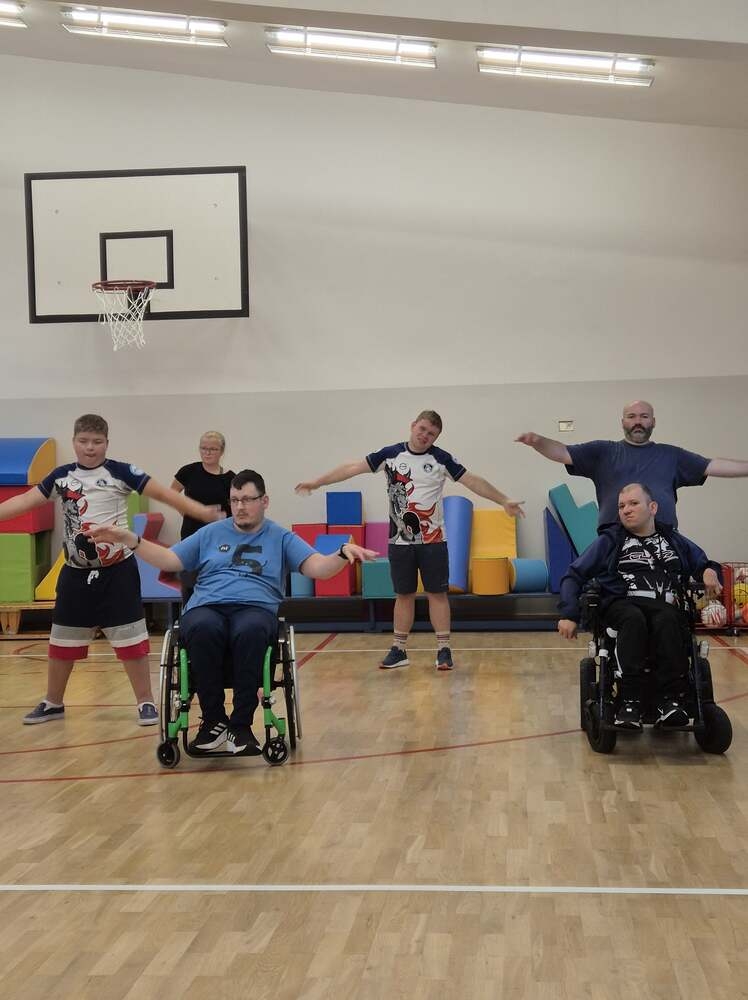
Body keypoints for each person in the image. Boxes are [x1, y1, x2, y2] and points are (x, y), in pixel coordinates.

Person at [89, 469, 377, 755]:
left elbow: (318, 568)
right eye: (235, 500)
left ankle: (240, 726)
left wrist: (341, 553)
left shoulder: (280, 537)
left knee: (250, 630)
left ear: (264, 501)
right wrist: (130, 539)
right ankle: (213, 722)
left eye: (247, 500)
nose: (240, 507)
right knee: (201, 627)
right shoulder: (210, 533)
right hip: (207, 605)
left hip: (255, 607)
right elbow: (168, 559)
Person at [0, 414, 224, 727]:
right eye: (83, 441)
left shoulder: (121, 472)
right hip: (75, 573)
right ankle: (53, 701)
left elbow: (165, 494)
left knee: (131, 640)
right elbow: (25, 501)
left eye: (97, 442)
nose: (90, 448)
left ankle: (145, 701)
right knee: (62, 640)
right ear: (74, 442)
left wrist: (201, 511)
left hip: (117, 572)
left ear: (107, 443)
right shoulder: (60, 477)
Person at [295, 410, 525, 671]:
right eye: (422, 429)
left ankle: (444, 649)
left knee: (437, 594)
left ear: (436, 437)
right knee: (403, 595)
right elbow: (352, 467)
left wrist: (503, 500)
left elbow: (473, 481)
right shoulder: (390, 455)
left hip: (433, 542)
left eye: (431, 434)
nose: (425, 435)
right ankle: (399, 649)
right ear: (413, 425)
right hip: (399, 542)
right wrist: (317, 482)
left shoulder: (441, 459)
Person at [557, 482, 722, 730]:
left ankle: (671, 701)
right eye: (621, 506)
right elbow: (574, 574)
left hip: (666, 608)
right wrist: (569, 613)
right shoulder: (610, 541)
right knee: (633, 618)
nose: (626, 510)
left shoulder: (672, 540)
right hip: (623, 605)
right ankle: (629, 700)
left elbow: (704, 563)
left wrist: (709, 572)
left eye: (633, 503)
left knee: (667, 619)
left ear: (652, 507)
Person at [517, 399, 748, 529]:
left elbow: (712, 466)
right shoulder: (603, 451)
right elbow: (562, 452)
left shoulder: (671, 455)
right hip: (615, 543)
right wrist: (537, 441)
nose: (638, 422)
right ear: (623, 422)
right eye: (632, 416)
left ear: (653, 422)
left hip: (663, 543)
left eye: (644, 417)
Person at [170, 431, 234, 601]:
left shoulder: (230, 478)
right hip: (191, 535)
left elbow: (234, 508)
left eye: (212, 449)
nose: (207, 452)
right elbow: (172, 493)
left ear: (221, 451)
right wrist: (187, 512)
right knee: (190, 584)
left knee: (218, 584)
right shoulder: (189, 471)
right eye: (203, 448)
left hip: (219, 539)